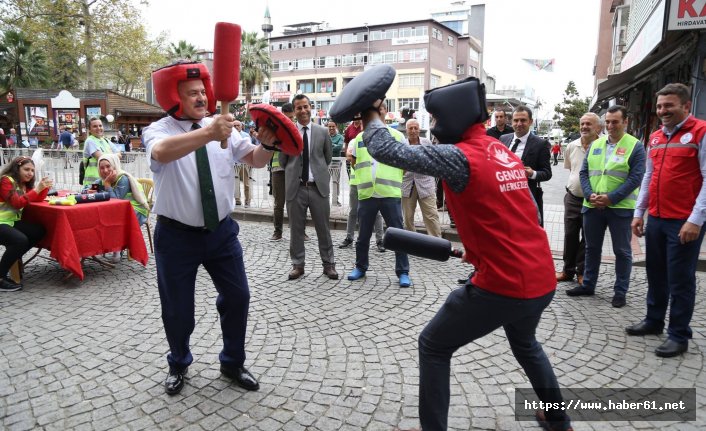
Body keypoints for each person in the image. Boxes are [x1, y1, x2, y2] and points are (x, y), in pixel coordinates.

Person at [351, 76, 570, 431]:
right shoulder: (503, 152)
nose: (433, 128)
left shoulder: (460, 156)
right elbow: (525, 213)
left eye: (436, 120)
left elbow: (387, 150)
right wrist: (482, 249)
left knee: (433, 345)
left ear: (453, 118)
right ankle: (559, 420)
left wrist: (371, 111)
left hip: (504, 283)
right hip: (540, 276)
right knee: (526, 343)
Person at [143, 60, 276, 396]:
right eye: (192, 93)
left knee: (238, 297)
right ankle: (178, 362)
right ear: (175, 97)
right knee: (178, 309)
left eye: (203, 91)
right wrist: (209, 132)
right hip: (176, 236)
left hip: (221, 233)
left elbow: (255, 160)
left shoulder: (226, 128)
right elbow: (159, 153)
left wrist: (270, 143)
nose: (201, 97)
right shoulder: (159, 130)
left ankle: (232, 362)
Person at [627, 83, 706, 358]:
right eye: (660, 106)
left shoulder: (701, 132)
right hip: (658, 218)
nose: (662, 111)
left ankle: (679, 334)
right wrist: (639, 213)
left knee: (680, 279)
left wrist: (695, 220)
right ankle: (654, 320)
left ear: (686, 106)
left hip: (684, 220)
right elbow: (648, 177)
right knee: (655, 272)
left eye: (669, 106)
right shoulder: (657, 136)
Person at [567, 105, 645, 309]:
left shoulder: (635, 145)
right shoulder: (596, 144)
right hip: (592, 205)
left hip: (620, 208)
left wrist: (611, 198)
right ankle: (588, 285)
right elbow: (584, 173)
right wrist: (589, 193)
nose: (610, 126)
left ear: (625, 122)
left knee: (622, 251)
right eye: (608, 122)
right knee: (592, 248)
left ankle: (620, 292)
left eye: (615, 122)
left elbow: (636, 178)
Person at [347, 103, 411, 287]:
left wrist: (393, 177)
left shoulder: (397, 136)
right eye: (374, 109)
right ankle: (360, 267)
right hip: (367, 193)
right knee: (363, 235)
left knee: (398, 235)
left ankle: (403, 271)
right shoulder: (360, 138)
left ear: (385, 112)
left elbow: (405, 163)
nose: (378, 111)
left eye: (381, 108)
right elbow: (354, 162)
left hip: (390, 192)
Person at [279, 94, 338, 280]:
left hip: (317, 187)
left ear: (310, 107)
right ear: (294, 111)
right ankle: (298, 265)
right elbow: (282, 160)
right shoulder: (288, 133)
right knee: (296, 229)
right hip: (296, 188)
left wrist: (317, 172)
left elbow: (327, 158)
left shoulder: (322, 132)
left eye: (305, 106)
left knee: (323, 228)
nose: (303, 111)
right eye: (299, 108)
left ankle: (329, 264)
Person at [556, 113, 602, 286]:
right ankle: (567, 270)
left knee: (587, 237)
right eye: (582, 124)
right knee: (570, 235)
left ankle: (581, 271)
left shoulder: (603, 146)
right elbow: (571, 169)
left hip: (593, 200)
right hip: (573, 197)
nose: (584, 127)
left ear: (598, 127)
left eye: (588, 124)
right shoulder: (572, 146)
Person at [0, 156, 52, 292]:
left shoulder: (23, 184)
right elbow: (17, 203)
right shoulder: (6, 180)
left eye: (32, 170)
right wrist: (36, 190)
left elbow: (37, 199)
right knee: (20, 241)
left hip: (10, 222)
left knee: (39, 231)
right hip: (1, 222)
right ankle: (0, 277)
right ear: (17, 168)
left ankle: (14, 258)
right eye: (26, 169)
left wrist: (44, 188)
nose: (30, 173)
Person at [499, 106, 552, 226]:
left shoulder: (540, 144)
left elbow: (547, 173)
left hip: (526, 199)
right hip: (504, 198)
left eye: (523, 120)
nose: (519, 124)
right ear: (511, 121)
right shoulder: (503, 139)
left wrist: (532, 173)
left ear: (530, 122)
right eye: (515, 120)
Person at [340, 128, 385, 251]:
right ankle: (349, 238)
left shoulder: (377, 140)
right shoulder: (355, 141)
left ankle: (380, 240)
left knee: (377, 213)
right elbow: (349, 156)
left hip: (373, 182)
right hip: (356, 182)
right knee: (353, 211)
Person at [402, 119, 441, 238]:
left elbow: (433, 161)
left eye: (415, 128)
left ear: (419, 129)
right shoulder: (402, 144)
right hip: (408, 184)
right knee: (408, 218)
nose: (413, 131)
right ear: (406, 130)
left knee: (431, 215)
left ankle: (436, 243)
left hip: (425, 184)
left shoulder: (426, 142)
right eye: (410, 128)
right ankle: (412, 242)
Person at [94, 153, 149, 226]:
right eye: (102, 168)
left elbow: (115, 201)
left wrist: (107, 184)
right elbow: (89, 190)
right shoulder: (101, 180)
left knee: (108, 221)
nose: (105, 170)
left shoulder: (123, 178)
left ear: (114, 165)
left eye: (108, 166)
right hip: (120, 210)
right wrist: (89, 191)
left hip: (136, 211)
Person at [269, 103, 294, 241]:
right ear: (282, 114)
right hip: (278, 169)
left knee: (296, 202)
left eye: (291, 117)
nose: (289, 120)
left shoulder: (296, 128)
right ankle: (277, 232)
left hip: (293, 170)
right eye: (287, 117)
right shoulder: (275, 129)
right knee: (279, 203)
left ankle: (299, 231)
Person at [83, 117, 115, 186]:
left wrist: (111, 157)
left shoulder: (105, 140)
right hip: (93, 182)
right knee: (95, 197)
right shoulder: (90, 141)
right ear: (90, 130)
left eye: (100, 126)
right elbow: (102, 158)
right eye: (95, 126)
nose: (98, 128)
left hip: (105, 179)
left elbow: (120, 153)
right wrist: (114, 156)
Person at [233, 120, 252, 207]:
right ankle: (237, 200)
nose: (236, 127)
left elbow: (250, 148)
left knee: (246, 183)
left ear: (241, 126)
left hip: (245, 163)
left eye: (238, 125)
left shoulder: (246, 135)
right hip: (234, 163)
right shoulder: (230, 135)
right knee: (236, 182)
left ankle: (247, 200)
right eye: (235, 125)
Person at [327, 121, 344, 207]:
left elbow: (339, 147)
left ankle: (335, 201)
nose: (331, 128)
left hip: (336, 163)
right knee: (325, 182)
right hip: (326, 163)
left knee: (335, 182)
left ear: (336, 126)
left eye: (333, 126)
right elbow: (322, 147)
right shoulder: (325, 136)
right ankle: (326, 200)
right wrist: (333, 145)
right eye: (329, 126)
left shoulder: (340, 137)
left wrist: (329, 146)